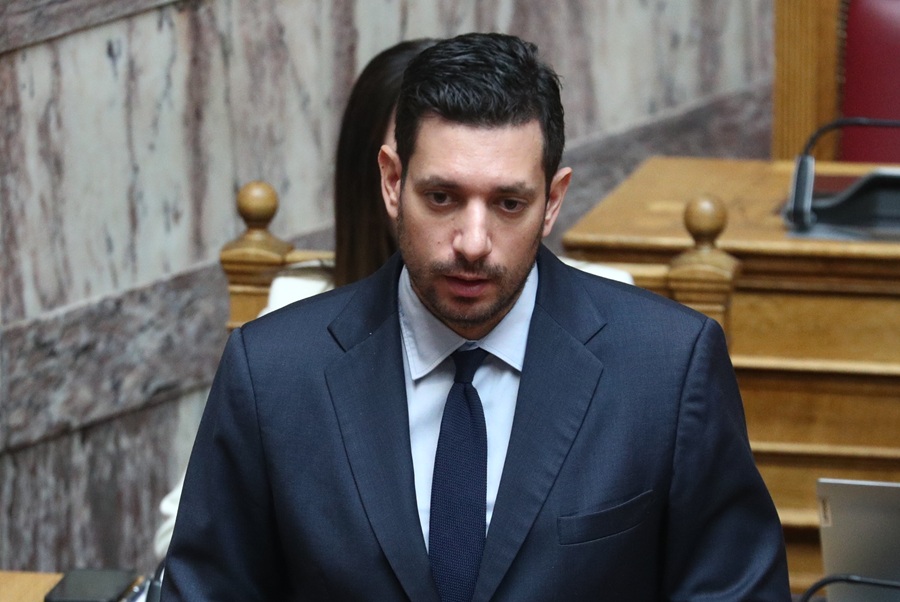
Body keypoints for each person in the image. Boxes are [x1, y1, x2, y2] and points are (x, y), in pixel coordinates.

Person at [162, 32, 789, 600]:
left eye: (509, 203)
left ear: (553, 201)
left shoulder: (667, 369)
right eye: (442, 197)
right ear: (392, 181)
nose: (472, 242)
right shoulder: (273, 373)